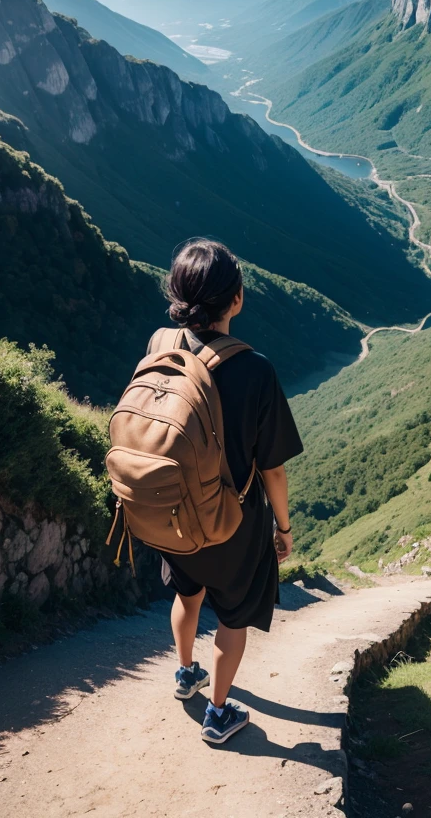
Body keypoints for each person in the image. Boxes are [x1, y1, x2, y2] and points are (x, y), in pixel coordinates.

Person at [153, 238, 303, 746]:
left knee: (186, 594)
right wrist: (282, 530)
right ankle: (218, 714)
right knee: (232, 619)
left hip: (172, 515)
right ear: (236, 300)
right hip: (231, 526)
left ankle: (185, 673)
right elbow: (273, 471)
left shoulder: (160, 346)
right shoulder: (254, 369)